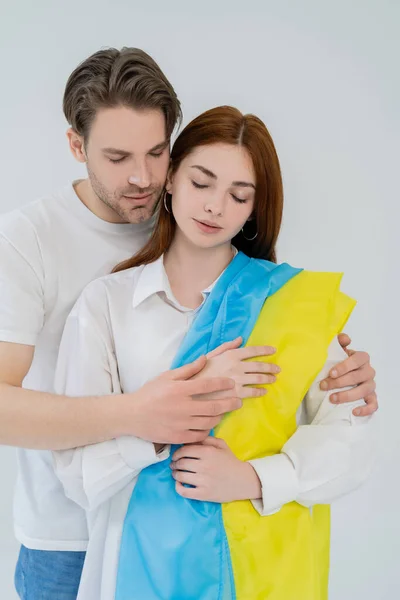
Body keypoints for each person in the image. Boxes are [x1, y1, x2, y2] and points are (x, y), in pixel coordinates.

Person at [0, 48, 376, 599]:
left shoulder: (263, 284)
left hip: (242, 551)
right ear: (76, 146)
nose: (141, 177)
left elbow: (346, 434)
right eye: (118, 156)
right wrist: (153, 417)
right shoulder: (49, 256)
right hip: (76, 542)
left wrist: (343, 375)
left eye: (156, 153)